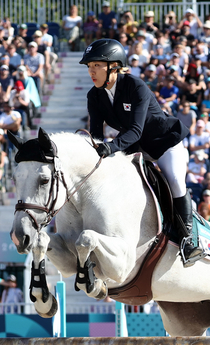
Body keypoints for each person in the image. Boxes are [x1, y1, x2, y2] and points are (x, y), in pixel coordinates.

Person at [81, 39, 198, 266]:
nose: (91, 72)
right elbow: (96, 134)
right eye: (89, 67)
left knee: (174, 180)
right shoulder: (94, 95)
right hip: (134, 148)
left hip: (164, 143)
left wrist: (110, 148)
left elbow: (135, 130)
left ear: (114, 66)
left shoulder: (135, 87)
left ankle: (189, 240)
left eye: (96, 66)